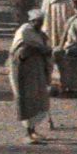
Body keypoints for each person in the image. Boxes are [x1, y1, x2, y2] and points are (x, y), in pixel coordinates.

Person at [8, 9, 54, 142]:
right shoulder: (24, 32)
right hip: (25, 72)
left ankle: (33, 130)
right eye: (38, 22)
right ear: (32, 21)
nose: (40, 24)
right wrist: (37, 49)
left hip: (37, 70)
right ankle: (28, 133)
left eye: (42, 22)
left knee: (37, 98)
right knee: (27, 100)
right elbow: (19, 53)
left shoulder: (38, 33)